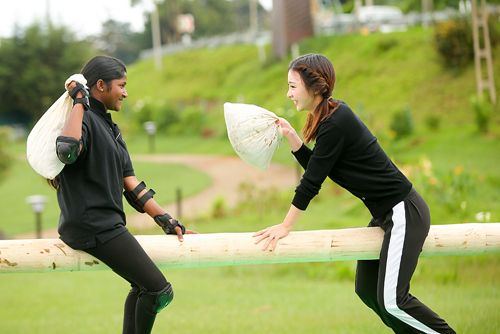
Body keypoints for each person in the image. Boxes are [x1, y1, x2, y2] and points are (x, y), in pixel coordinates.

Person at [253, 54, 455, 334]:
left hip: (404, 212)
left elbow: (311, 182)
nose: (288, 94)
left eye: (292, 86)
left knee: (393, 301)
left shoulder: (336, 121)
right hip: (386, 215)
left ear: (314, 87)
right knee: (367, 290)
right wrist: (292, 138)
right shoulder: (330, 119)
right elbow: (319, 166)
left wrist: (286, 225)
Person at [54, 55, 194, 334]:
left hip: (108, 225)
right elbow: (67, 150)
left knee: (143, 287)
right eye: (122, 85)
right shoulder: (81, 119)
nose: (126, 93)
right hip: (91, 225)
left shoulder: (111, 128)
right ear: (101, 86)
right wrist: (79, 102)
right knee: (158, 291)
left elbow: (131, 183)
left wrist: (166, 220)